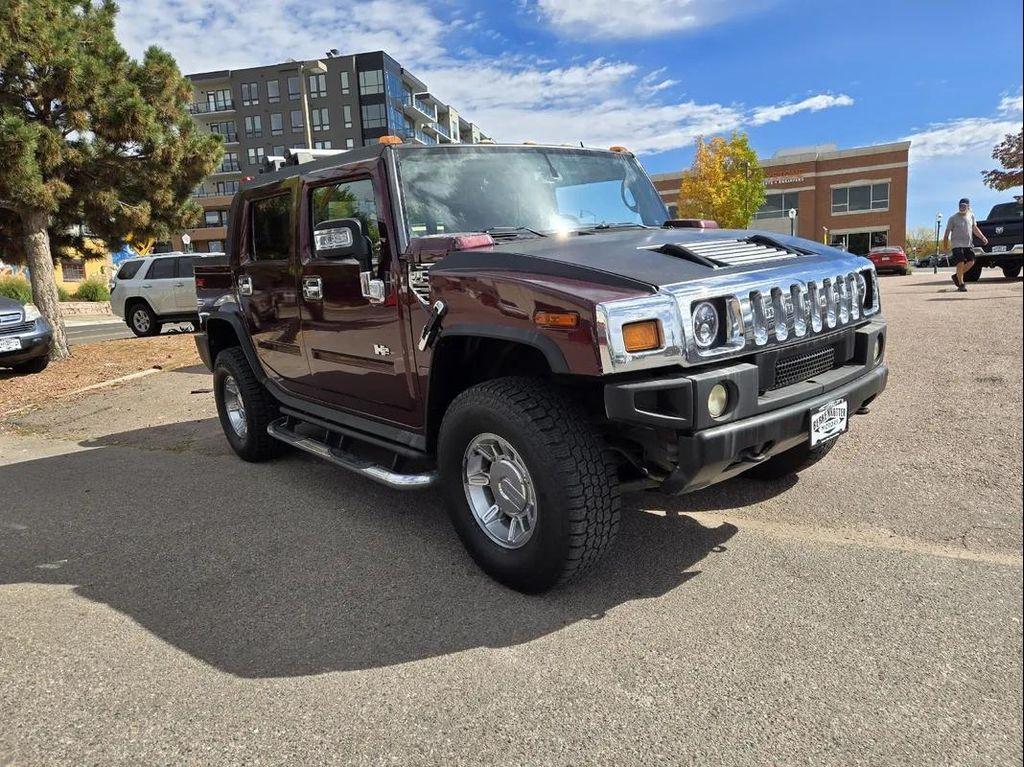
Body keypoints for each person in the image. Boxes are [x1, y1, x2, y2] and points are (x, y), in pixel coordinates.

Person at [942, 197, 988, 291]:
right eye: (960, 206)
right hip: (956, 244)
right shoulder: (953, 218)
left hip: (968, 244)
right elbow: (946, 233)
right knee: (960, 263)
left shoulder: (971, 216)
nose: (961, 207)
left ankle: (957, 276)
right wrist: (945, 247)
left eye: (964, 206)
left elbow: (974, 228)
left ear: (968, 206)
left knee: (971, 262)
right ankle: (961, 284)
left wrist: (982, 237)